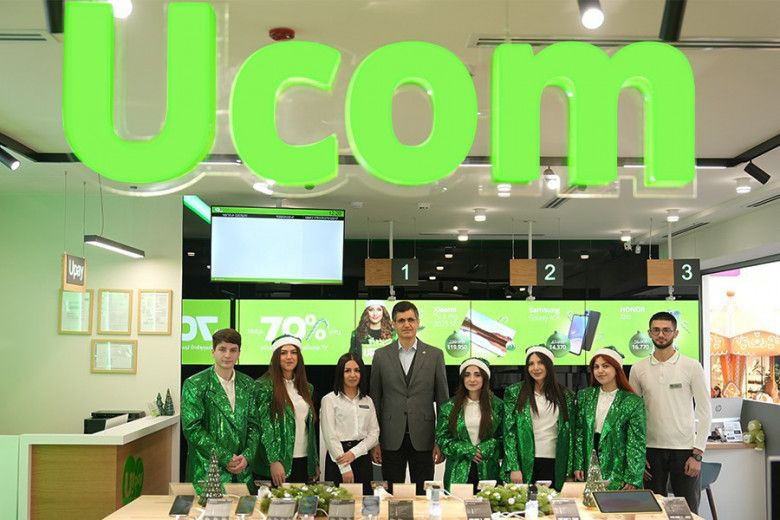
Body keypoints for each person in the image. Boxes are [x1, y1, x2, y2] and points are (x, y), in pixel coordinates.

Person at [629, 311, 711, 513]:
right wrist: (637, 453)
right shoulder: (638, 369)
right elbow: (634, 415)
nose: (661, 334)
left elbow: (705, 411)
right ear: (649, 333)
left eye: (666, 330)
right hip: (650, 451)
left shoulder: (692, 366)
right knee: (651, 511)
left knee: (687, 512)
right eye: (656, 330)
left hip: (685, 451)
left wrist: (698, 454)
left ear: (675, 333)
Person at [369, 300, 450, 495]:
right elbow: (375, 400)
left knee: (424, 494)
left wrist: (441, 440)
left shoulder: (435, 355)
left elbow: (443, 401)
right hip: (390, 437)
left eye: (411, 320)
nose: (407, 324)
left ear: (418, 322)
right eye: (401, 320)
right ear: (394, 324)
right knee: (391, 494)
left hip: (424, 437)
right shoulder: (380, 356)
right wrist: (375, 441)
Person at [181, 328, 259, 494]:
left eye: (233, 350)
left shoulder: (249, 384)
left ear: (239, 353)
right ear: (213, 352)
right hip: (208, 472)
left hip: (242, 473)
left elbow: (254, 426)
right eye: (222, 349)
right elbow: (192, 429)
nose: (227, 355)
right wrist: (225, 457)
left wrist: (247, 456)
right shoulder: (195, 384)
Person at [503, 345, 575, 491]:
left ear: (549, 365)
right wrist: (514, 466)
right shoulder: (514, 392)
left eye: (540, 362)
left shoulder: (565, 395)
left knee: (551, 502)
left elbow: (571, 434)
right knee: (524, 502)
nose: (535, 368)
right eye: (531, 364)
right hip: (525, 462)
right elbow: (509, 432)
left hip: (555, 461)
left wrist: (569, 471)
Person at [573, 347, 646, 490]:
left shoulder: (632, 401)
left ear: (617, 369)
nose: (600, 371)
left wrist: (632, 477)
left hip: (618, 466)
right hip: (589, 460)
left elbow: (636, 442)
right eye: (596, 367)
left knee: (615, 503)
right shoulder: (585, 396)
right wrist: (578, 464)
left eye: (605, 366)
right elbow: (579, 433)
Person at [254, 335, 318, 486]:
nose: (289, 357)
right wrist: (273, 460)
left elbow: (309, 429)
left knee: (302, 501)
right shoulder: (263, 386)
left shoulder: (307, 388)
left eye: (293, 352)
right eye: (283, 353)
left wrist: (314, 461)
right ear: (276, 357)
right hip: (278, 464)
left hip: (303, 460)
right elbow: (263, 427)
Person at [435, 358, 503, 492]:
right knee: (457, 504)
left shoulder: (498, 406)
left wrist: (488, 447)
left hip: (488, 469)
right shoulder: (449, 407)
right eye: (467, 375)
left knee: (488, 504)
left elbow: (506, 438)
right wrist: (465, 449)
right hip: (457, 471)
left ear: (485, 378)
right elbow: (442, 438)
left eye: (477, 375)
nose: (472, 379)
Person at [321, 353, 380, 495]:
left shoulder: (367, 400)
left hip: (362, 458)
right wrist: (344, 468)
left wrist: (354, 453)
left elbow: (374, 433)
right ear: (340, 373)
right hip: (338, 458)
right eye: (347, 371)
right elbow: (330, 436)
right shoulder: (329, 400)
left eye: (357, 370)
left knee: (364, 502)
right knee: (338, 504)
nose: (353, 375)